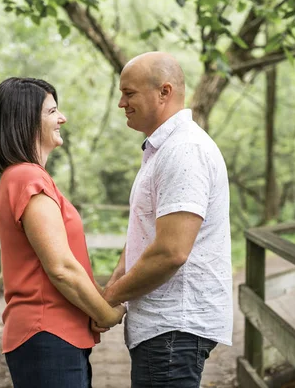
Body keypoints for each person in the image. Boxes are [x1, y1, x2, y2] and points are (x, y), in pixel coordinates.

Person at [0, 77, 126, 388]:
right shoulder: (28, 178)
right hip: (47, 334)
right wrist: (106, 314)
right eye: (52, 111)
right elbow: (61, 268)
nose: (62, 118)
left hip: (53, 337)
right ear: (25, 119)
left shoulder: (24, 177)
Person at [102, 52, 233, 388]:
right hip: (164, 329)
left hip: (174, 328)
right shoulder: (163, 150)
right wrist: (111, 288)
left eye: (129, 93)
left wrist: (111, 297)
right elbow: (143, 236)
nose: (121, 103)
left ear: (164, 92)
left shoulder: (184, 151)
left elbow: (171, 251)